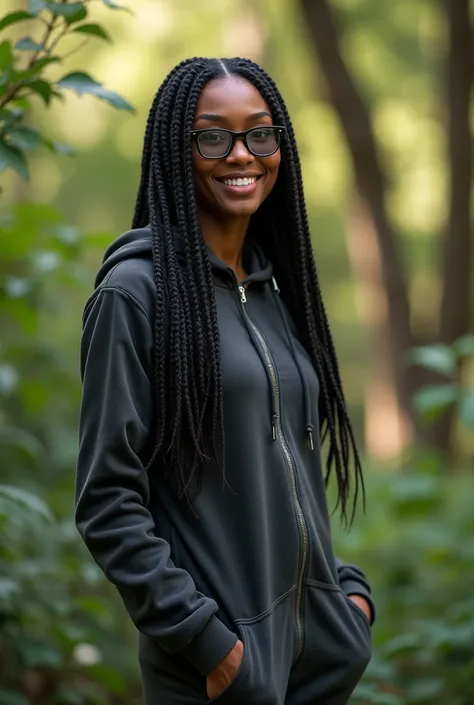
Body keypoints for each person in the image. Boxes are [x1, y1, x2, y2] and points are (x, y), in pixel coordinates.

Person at [75, 57, 375, 705]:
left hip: (317, 669)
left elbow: (289, 469)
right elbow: (107, 500)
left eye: (260, 134)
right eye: (213, 136)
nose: (241, 154)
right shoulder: (136, 296)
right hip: (216, 678)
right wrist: (208, 642)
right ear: (175, 151)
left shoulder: (276, 289)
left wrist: (346, 596)